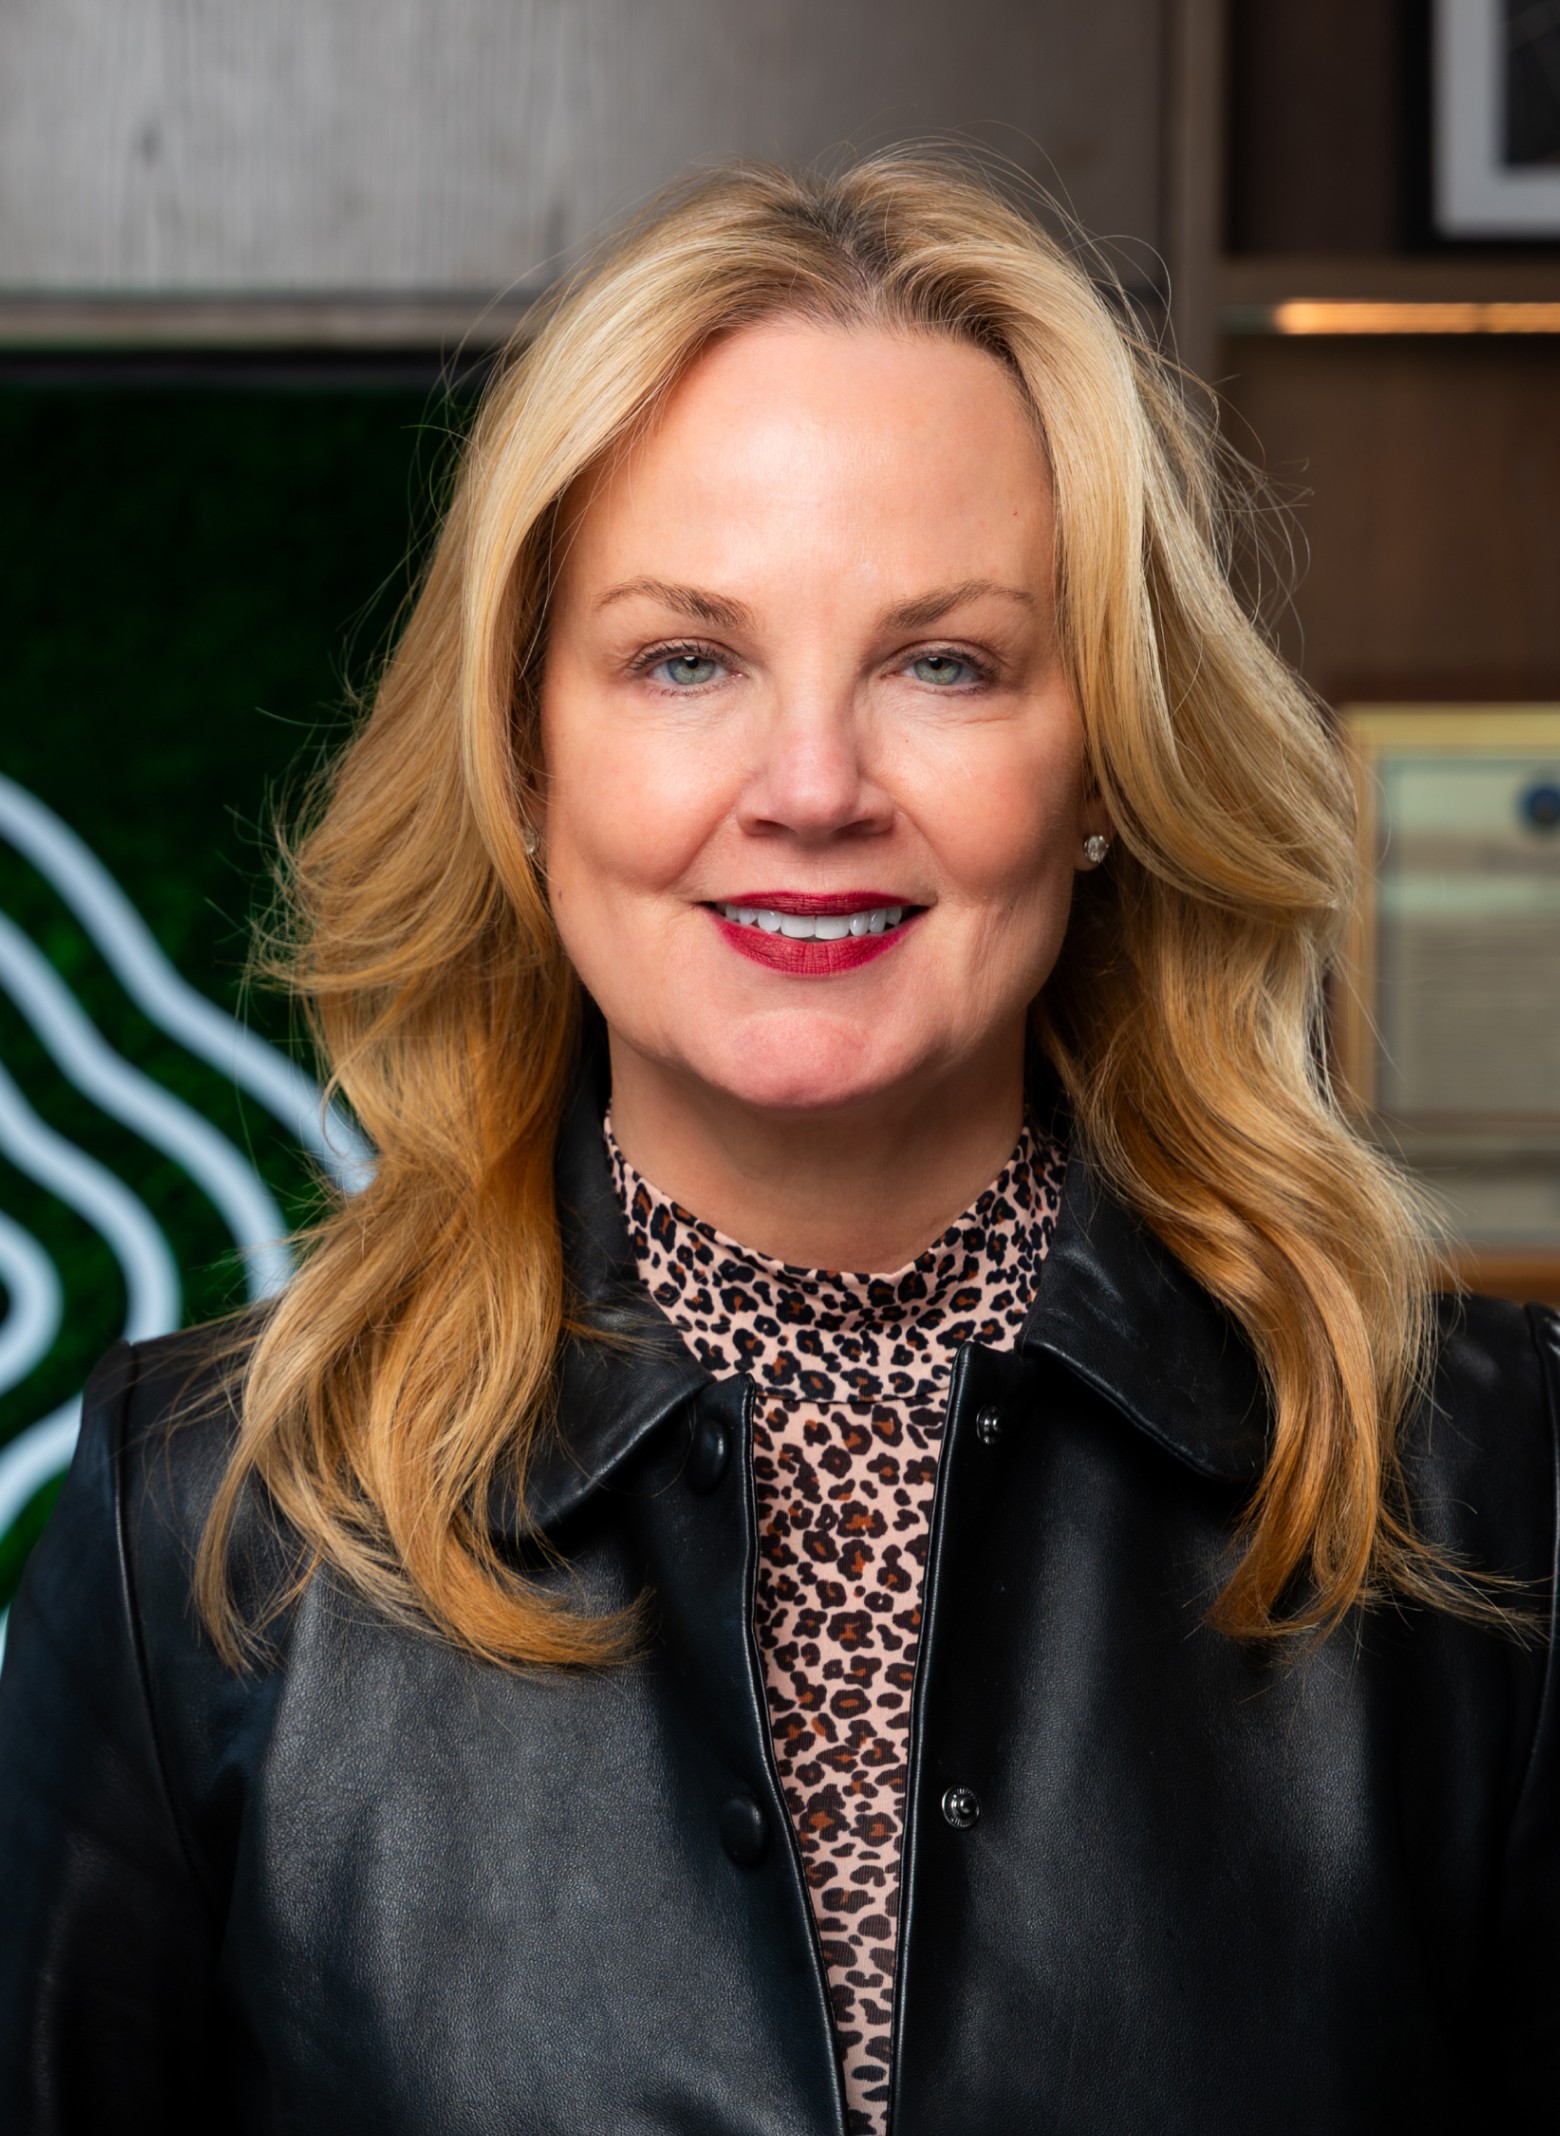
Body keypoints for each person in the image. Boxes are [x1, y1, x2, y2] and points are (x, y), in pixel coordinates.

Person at [0, 153, 1555, 2136]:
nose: (812, 787)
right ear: (524, 755)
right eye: (686, 660)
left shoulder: (1493, 1488)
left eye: (944, 663)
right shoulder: (202, 1523)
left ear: (1104, 763)